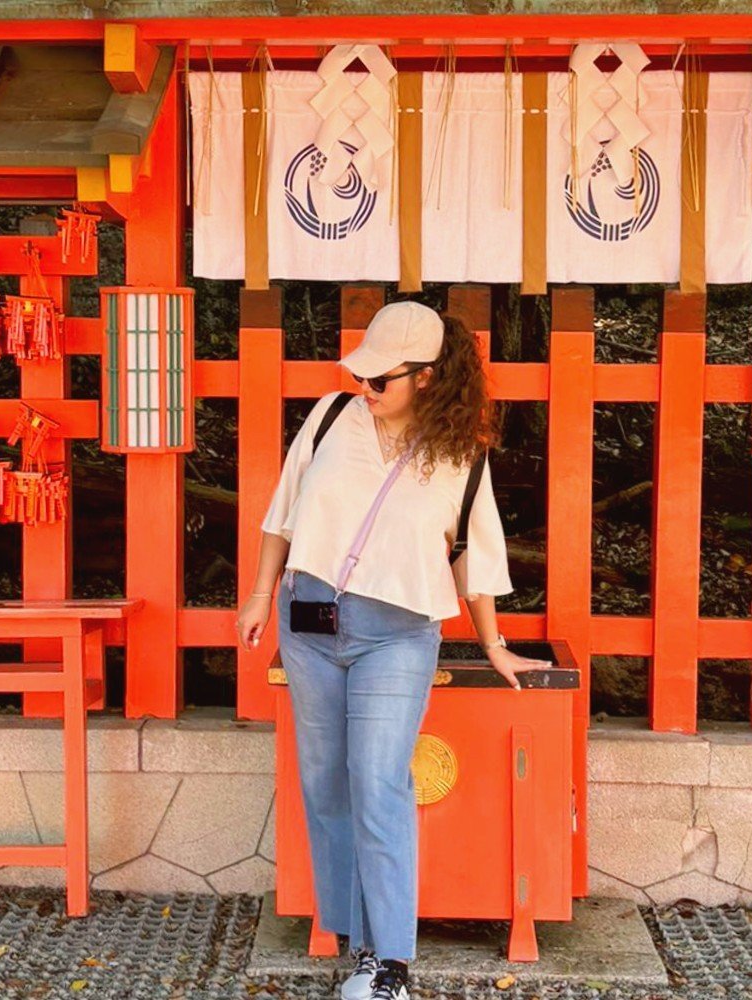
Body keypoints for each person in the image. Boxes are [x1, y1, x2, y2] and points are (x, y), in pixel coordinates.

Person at [236, 301, 551, 1000]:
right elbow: (281, 514)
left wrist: (494, 644)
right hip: (309, 621)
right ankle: (357, 941)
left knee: (379, 780)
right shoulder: (326, 418)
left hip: (398, 630)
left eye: (383, 380)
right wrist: (261, 593)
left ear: (429, 378)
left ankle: (390, 966)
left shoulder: (460, 455)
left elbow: (474, 556)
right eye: (363, 376)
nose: (367, 389)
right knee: (325, 781)